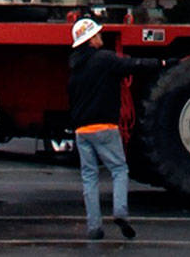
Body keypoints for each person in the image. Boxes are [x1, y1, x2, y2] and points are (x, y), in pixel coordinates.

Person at [67, 17, 171, 240]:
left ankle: (94, 227)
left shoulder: (75, 69)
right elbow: (133, 65)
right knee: (119, 170)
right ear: (91, 39)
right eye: (97, 34)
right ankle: (120, 212)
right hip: (105, 127)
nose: (101, 37)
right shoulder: (104, 59)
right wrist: (162, 64)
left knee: (89, 177)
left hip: (81, 131)